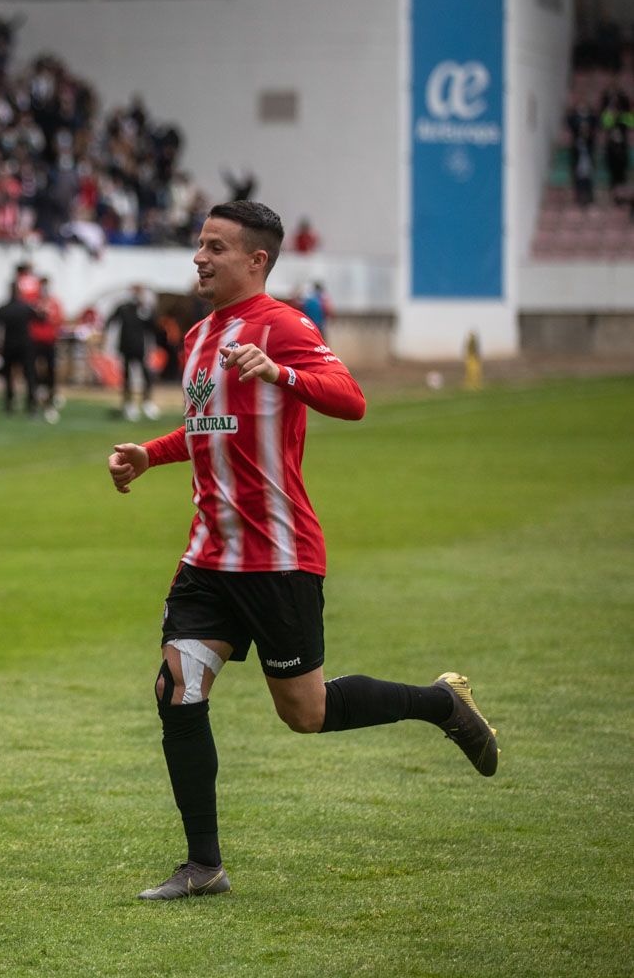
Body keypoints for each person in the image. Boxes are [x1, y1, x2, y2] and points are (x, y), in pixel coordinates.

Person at [106, 200, 500, 902]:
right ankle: (204, 865)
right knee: (176, 688)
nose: (200, 256)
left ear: (256, 261)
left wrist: (279, 374)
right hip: (208, 557)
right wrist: (149, 453)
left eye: (216, 246)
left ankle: (441, 704)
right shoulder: (198, 336)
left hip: (278, 556)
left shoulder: (283, 326)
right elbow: (208, 428)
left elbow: (351, 400)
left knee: (305, 711)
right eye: (199, 243)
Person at [107, 284, 161, 421]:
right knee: (127, 377)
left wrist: (147, 311)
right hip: (125, 346)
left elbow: (153, 327)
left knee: (145, 374)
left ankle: (147, 401)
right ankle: (128, 404)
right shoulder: (123, 307)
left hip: (140, 347)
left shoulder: (144, 309)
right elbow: (110, 321)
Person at [0, 284, 38, 413]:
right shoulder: (26, 307)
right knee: (29, 375)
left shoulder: (3, 309)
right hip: (25, 345)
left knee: (8, 376)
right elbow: (40, 318)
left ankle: (9, 403)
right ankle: (31, 403)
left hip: (9, 345)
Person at [29, 275, 64, 412]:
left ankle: (51, 395)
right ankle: (36, 394)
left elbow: (59, 319)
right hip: (36, 341)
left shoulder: (54, 302)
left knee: (51, 370)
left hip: (50, 341)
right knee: (35, 369)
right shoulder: (34, 302)